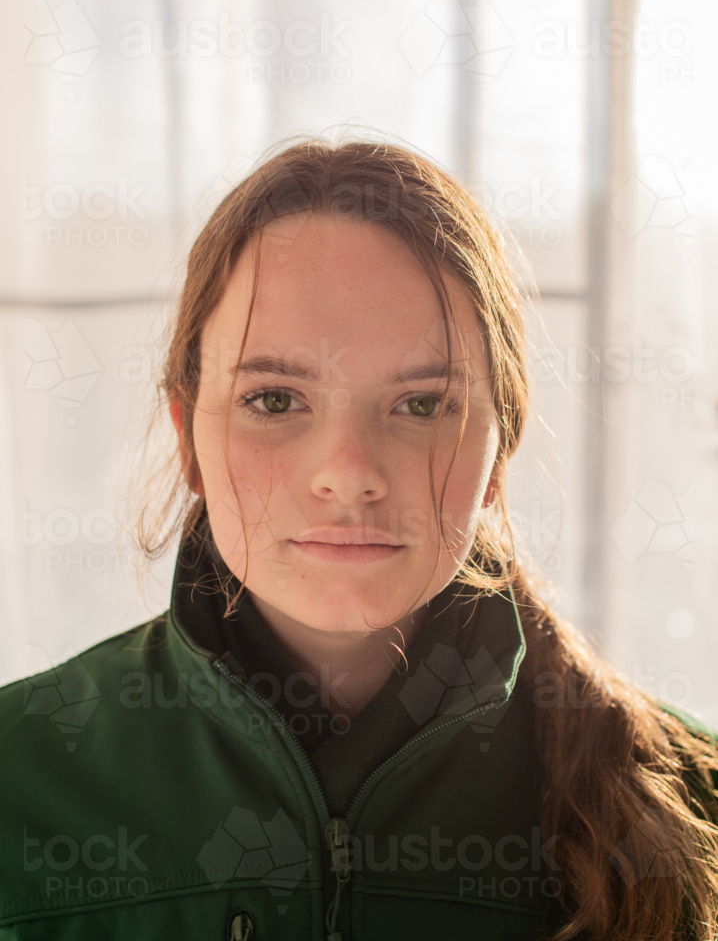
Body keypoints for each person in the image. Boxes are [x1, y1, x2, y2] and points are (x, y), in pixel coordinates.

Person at [1, 140, 716, 941]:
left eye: (420, 405)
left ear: (496, 454)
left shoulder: (697, 804)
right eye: (274, 400)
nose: (348, 474)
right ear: (186, 439)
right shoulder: (15, 778)